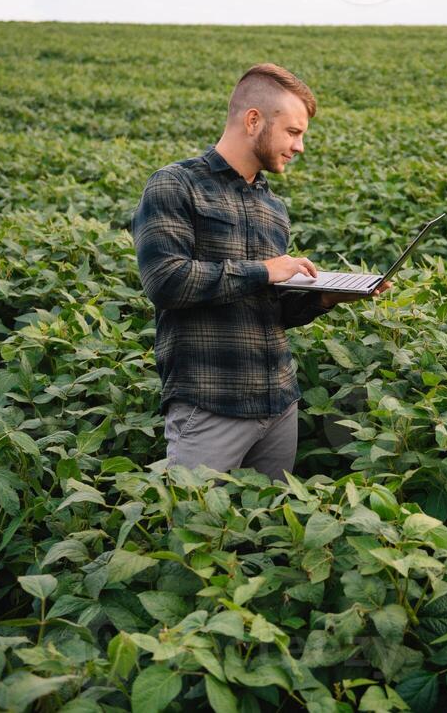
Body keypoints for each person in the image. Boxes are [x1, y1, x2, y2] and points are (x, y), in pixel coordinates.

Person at [129, 63, 388, 482]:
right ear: (254, 120)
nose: (300, 146)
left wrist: (325, 297)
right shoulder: (175, 185)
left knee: (266, 538)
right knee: (193, 536)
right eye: (293, 131)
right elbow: (166, 281)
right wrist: (265, 271)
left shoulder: (273, 208)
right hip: (210, 407)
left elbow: (270, 310)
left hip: (279, 407)